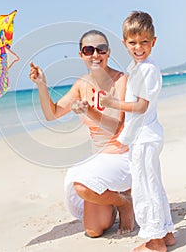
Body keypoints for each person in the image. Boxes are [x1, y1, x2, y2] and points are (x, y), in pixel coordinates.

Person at [29, 29, 134, 238]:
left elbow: (115, 126)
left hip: (123, 156)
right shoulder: (81, 84)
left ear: (108, 52)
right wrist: (42, 85)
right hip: (100, 160)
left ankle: (125, 203)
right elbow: (52, 114)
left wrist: (89, 111)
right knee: (93, 230)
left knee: (81, 185)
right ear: (82, 55)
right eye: (89, 50)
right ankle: (116, 198)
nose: (95, 54)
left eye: (101, 49)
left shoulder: (121, 80)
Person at [100, 11, 175, 252]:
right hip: (145, 135)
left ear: (153, 41)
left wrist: (113, 105)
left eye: (144, 42)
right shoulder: (139, 67)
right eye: (133, 42)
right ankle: (166, 232)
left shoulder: (147, 70)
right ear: (124, 44)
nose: (138, 47)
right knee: (152, 182)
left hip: (145, 137)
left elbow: (141, 106)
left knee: (145, 187)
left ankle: (155, 241)